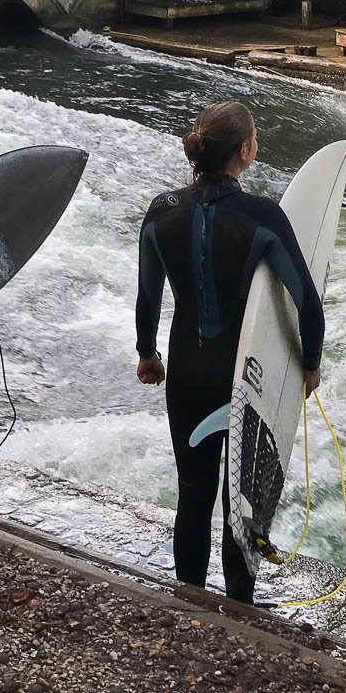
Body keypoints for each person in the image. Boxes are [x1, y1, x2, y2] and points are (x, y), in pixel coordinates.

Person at [134, 101, 325, 603]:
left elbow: (148, 294)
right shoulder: (261, 216)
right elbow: (306, 300)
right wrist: (310, 364)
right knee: (240, 500)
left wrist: (147, 353)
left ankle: (189, 599)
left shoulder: (161, 211)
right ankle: (238, 605)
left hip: (187, 372)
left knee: (193, 494)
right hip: (246, 376)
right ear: (245, 152)